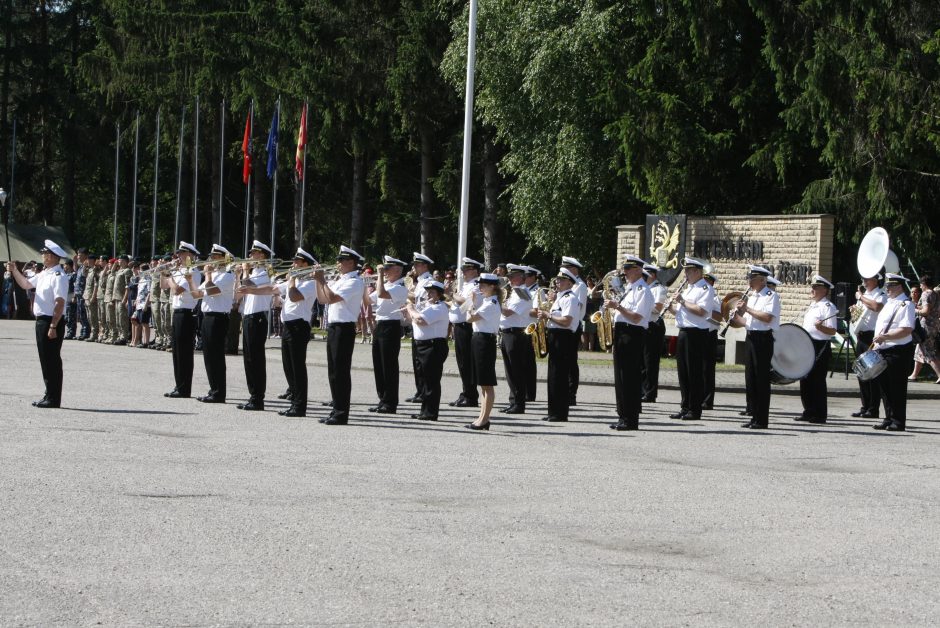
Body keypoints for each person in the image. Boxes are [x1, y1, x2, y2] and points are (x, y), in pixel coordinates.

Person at [5, 240, 69, 408]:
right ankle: (49, 394)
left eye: (44, 253)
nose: (42, 256)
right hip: (42, 321)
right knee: (45, 360)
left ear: (52, 256)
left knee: (52, 360)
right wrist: (15, 271)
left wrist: (53, 326)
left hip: (51, 321)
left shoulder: (58, 276)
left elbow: (60, 303)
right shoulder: (45, 273)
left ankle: (53, 398)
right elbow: (26, 284)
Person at [315, 245, 365, 425]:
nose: (338, 264)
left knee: (341, 372)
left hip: (344, 328)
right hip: (334, 328)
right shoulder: (341, 279)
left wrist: (322, 280)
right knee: (333, 371)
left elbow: (332, 298)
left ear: (351, 262)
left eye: (341, 261)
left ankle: (341, 413)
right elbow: (322, 299)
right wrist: (317, 281)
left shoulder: (354, 281)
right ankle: (336, 408)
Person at [267, 248, 320, 417]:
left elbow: (295, 296)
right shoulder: (295, 281)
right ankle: (294, 401)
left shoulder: (310, 283)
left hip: (299, 327)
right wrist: (249, 289)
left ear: (305, 264)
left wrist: (292, 280)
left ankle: (299, 406)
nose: (293, 264)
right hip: (288, 326)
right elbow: (273, 289)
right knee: (288, 365)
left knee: (297, 367)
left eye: (297, 262)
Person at [605, 255, 654, 430]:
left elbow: (636, 317)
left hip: (632, 334)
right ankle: (622, 415)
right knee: (620, 378)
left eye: (628, 269)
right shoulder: (629, 289)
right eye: (624, 269)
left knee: (630, 378)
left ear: (638, 270)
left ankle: (630, 419)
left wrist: (617, 307)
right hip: (622, 333)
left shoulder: (643, 290)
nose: (624, 273)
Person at [728, 265, 780, 429]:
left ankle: (762, 419)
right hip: (751, 337)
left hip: (763, 339)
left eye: (752, 279)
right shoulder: (753, 295)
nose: (749, 282)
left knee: (761, 380)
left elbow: (766, 317)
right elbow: (748, 322)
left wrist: (747, 309)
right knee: (751, 378)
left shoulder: (771, 296)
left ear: (761, 279)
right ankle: (754, 415)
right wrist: (736, 317)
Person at [668, 257, 716, 421]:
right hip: (684, 331)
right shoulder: (689, 288)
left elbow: (701, 311)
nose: (686, 274)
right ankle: (685, 406)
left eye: (688, 271)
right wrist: (671, 308)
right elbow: (684, 313)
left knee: (694, 372)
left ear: (697, 271)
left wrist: (682, 301)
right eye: (685, 271)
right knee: (683, 373)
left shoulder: (705, 288)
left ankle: (695, 409)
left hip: (696, 334)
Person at [190, 244, 236, 403]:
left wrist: (208, 275)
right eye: (212, 257)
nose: (211, 260)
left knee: (216, 356)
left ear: (224, 259)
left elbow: (213, 291)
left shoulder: (228, 276)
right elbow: (197, 294)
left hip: (218, 318)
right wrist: (190, 280)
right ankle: (213, 389)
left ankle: (219, 392)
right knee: (208, 356)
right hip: (207, 317)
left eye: (215, 257)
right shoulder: (214, 275)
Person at [234, 241, 276, 411]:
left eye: (254, 253)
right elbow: (238, 295)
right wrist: (238, 275)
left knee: (256, 359)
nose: (250, 256)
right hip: (248, 318)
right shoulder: (253, 273)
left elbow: (250, 287)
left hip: (258, 318)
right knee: (249, 359)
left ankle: (258, 398)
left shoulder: (265, 274)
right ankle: (253, 395)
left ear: (262, 255)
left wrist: (244, 272)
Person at [871, 273, 916, 431]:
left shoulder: (906, 304)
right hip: (883, 349)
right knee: (884, 387)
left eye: (890, 286)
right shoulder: (890, 303)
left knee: (897, 387)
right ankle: (889, 417)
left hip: (898, 350)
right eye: (887, 286)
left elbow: (906, 329)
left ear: (899, 286)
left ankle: (898, 420)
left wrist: (885, 337)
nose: (887, 289)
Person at [539, 268, 581, 422]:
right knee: (553, 376)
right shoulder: (560, 297)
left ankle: (560, 413)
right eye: (557, 280)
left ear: (569, 282)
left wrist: (548, 315)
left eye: (561, 280)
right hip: (555, 336)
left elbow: (567, 321)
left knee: (560, 376)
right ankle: (553, 411)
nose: (557, 282)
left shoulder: (570, 298)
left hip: (564, 338)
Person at [404, 280, 450, 420]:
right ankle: (424, 410)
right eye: (428, 291)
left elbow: (421, 321)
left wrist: (411, 309)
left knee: (431, 381)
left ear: (439, 294)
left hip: (433, 346)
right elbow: (411, 320)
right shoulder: (427, 306)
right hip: (423, 345)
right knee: (424, 380)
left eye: (432, 292)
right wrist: (409, 312)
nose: (428, 294)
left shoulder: (439, 307)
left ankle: (430, 412)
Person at [369, 256, 409, 414]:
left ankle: (390, 402)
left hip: (391, 326)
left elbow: (381, 294)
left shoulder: (400, 287)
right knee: (378, 364)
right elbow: (367, 300)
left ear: (398, 270)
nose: (384, 272)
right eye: (383, 269)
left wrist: (378, 276)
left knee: (389, 365)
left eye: (387, 269)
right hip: (380, 325)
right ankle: (382, 399)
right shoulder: (386, 284)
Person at [163, 242, 202, 398]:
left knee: (184, 353)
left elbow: (177, 290)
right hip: (177, 312)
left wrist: (169, 276)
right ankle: (179, 385)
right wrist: (163, 273)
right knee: (177, 352)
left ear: (190, 255)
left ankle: (184, 388)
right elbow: (164, 286)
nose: (178, 256)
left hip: (187, 314)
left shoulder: (193, 272)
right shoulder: (181, 271)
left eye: (181, 253)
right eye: (178, 253)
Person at [796, 276, 838, 423]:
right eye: (812, 287)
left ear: (824, 290)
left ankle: (820, 414)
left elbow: (832, 331)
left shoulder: (828, 307)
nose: (812, 290)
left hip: (820, 345)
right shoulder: (813, 306)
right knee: (805, 379)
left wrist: (821, 327)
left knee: (817, 381)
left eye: (816, 288)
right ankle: (808, 410)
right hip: (807, 344)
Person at [466, 273, 502, 430]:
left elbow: (470, 318)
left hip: (485, 341)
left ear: (492, 286)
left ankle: (485, 419)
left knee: (487, 383)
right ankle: (482, 417)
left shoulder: (491, 303)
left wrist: (471, 303)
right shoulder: (487, 301)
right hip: (478, 339)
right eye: (480, 285)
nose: (480, 287)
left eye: (484, 285)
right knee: (482, 383)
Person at [498, 264, 533, 414]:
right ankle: (513, 401)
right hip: (507, 333)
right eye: (510, 277)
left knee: (517, 370)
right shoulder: (514, 292)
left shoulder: (523, 293)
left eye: (513, 277)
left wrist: (494, 301)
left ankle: (519, 403)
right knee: (510, 370)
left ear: (521, 277)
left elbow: (508, 312)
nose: (510, 279)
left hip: (516, 334)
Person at [448, 257, 482, 407]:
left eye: (466, 269)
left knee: (467, 362)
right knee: (462, 362)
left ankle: (471, 395)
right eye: (463, 269)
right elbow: (460, 305)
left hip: (466, 326)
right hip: (459, 326)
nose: (463, 272)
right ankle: (466, 392)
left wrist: (453, 295)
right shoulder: (467, 285)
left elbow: (468, 303)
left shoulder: (476, 286)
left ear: (474, 270)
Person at [852, 274, 886, 418]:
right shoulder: (865, 294)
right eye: (863, 279)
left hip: (872, 337)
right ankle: (865, 405)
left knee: (872, 373)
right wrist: (854, 311)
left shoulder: (881, 294)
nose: (863, 282)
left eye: (867, 279)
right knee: (861, 373)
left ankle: (873, 409)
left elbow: (876, 307)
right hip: (861, 336)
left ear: (876, 279)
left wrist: (860, 297)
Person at [406, 252, 434, 404]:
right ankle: (419, 391)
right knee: (416, 361)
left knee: (421, 362)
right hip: (416, 322)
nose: (414, 267)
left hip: (423, 321)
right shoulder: (419, 281)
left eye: (417, 265)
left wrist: (408, 295)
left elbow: (420, 300)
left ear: (424, 266)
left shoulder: (428, 281)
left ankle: (423, 392)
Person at [560, 256, 588, 405]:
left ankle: (572, 393)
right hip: (564, 326)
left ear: (574, 269)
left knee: (571, 360)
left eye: (566, 268)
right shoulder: (569, 284)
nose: (562, 270)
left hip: (573, 326)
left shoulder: (580, 285)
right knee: (565, 359)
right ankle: (565, 390)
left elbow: (579, 309)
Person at [641, 263, 667, 403]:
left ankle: (650, 393)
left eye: (647, 274)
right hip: (643, 325)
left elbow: (657, 308)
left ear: (653, 275)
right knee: (641, 361)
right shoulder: (644, 288)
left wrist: (641, 306)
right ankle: (641, 389)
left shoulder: (658, 289)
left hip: (653, 326)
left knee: (650, 362)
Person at [909, 274, 940, 383]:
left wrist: (915, 311)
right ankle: (914, 375)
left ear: (924, 284)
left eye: (921, 285)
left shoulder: (926, 294)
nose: (920, 287)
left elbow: (926, 312)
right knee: (919, 351)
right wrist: (917, 306)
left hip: (926, 326)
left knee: (928, 351)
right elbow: (931, 308)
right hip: (934, 326)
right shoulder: (935, 294)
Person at [702, 270, 722, 410]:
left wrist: (706, 309)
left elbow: (719, 317)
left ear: (711, 283)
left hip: (709, 335)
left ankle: (708, 400)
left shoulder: (714, 298)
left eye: (706, 281)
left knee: (707, 369)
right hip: (699, 333)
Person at [522, 266, 542, 401]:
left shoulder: (537, 291)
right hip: (522, 327)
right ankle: (523, 391)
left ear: (534, 277)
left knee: (528, 362)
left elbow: (538, 310)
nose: (525, 278)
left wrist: (523, 309)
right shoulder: (524, 290)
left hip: (531, 328)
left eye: (528, 276)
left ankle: (530, 393)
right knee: (521, 362)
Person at [132, 263, 152, 348]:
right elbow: (139, 292)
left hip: (145, 304)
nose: (139, 271)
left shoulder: (148, 279)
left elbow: (149, 292)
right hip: (139, 304)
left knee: (145, 323)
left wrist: (146, 304)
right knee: (138, 321)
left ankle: (146, 342)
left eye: (140, 269)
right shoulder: (141, 279)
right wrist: (136, 301)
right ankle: (141, 340)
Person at [81, 255, 99, 342]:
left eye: (88, 259)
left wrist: (93, 296)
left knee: (93, 316)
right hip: (86, 295)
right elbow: (83, 274)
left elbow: (96, 284)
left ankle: (95, 334)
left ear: (92, 260)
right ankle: (93, 333)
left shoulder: (96, 270)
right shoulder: (89, 270)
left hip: (91, 295)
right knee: (89, 316)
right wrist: (84, 266)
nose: (86, 261)